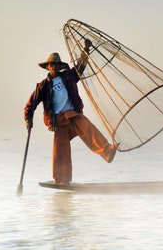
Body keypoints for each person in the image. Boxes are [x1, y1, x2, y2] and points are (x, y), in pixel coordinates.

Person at [23, 39, 116, 184]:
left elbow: (80, 67)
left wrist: (86, 50)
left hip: (73, 114)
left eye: (56, 64)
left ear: (59, 66)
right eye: (51, 64)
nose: (53, 67)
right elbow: (30, 104)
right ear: (48, 67)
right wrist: (28, 120)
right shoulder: (43, 86)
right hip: (59, 121)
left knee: (89, 128)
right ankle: (61, 180)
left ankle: (108, 151)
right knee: (60, 153)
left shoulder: (68, 76)